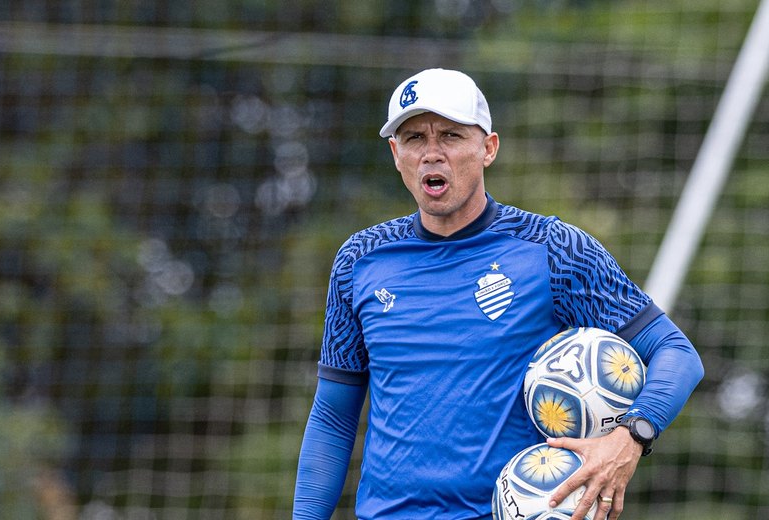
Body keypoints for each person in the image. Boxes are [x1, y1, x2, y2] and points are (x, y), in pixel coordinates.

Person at [293, 68, 703, 520]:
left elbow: (676, 352)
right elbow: (333, 417)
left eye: (450, 135)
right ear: (396, 154)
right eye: (414, 138)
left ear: (488, 148)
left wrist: (629, 437)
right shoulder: (359, 260)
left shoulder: (553, 248)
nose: (432, 153)